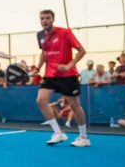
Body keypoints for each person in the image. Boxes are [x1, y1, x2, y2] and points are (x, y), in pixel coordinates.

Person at [34, 9, 91, 147]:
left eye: (47, 18)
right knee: (41, 101)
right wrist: (38, 68)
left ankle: (84, 138)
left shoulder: (65, 33)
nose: (44, 21)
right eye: (42, 18)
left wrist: (69, 65)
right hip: (50, 75)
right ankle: (58, 133)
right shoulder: (40, 35)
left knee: (74, 104)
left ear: (53, 19)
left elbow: (82, 50)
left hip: (67, 75)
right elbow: (44, 52)